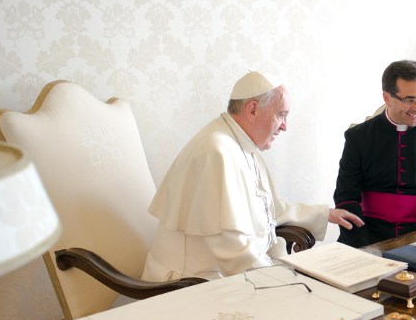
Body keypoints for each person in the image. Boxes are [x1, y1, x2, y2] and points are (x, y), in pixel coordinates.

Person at [143, 71, 363, 281]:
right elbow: (230, 248)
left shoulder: (240, 145)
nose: (285, 126)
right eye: (281, 115)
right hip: (193, 282)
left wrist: (325, 214)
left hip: (229, 273)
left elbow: (271, 210)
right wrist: (279, 280)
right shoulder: (216, 151)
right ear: (253, 110)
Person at [333, 60, 416, 248]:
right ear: (387, 98)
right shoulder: (358, 137)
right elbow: (346, 197)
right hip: (369, 235)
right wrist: (362, 247)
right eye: (410, 100)